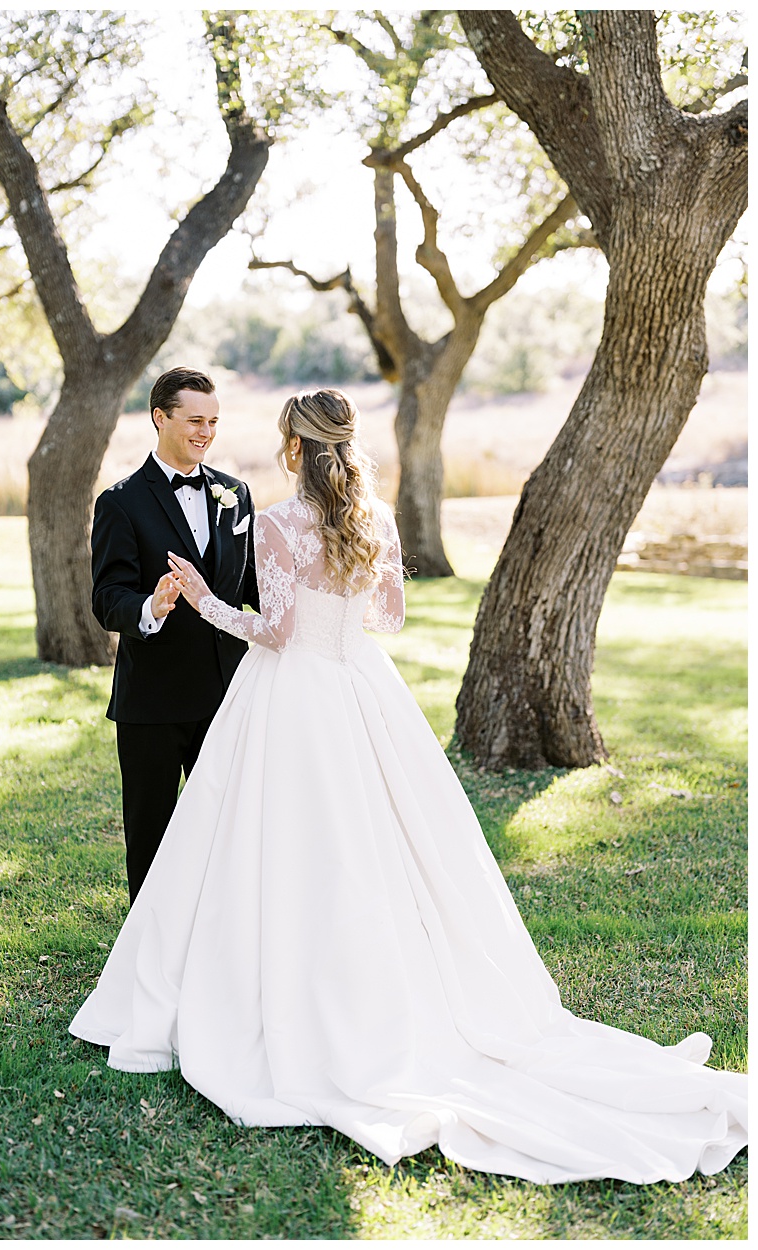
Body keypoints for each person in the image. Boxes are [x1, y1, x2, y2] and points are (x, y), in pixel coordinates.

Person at [70, 389, 748, 1183]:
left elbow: (275, 629)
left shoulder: (281, 523)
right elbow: (387, 617)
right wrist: (338, 612)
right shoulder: (377, 519)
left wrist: (207, 599)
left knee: (277, 841)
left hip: (291, 694)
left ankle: (256, 982)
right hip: (361, 687)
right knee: (379, 844)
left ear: (295, 447)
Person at [89, 365, 258, 902]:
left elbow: (255, 583)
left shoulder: (237, 495)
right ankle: (148, 955)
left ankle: (218, 938)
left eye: (212, 421)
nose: (205, 432)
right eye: (194, 420)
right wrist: (150, 605)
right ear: (160, 417)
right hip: (152, 703)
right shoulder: (120, 502)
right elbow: (106, 599)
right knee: (152, 836)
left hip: (227, 697)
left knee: (228, 832)